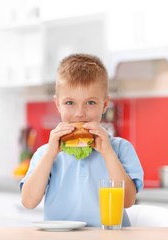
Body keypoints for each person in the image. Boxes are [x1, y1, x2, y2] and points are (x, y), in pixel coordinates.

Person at [20, 54, 144, 227]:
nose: (80, 113)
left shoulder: (120, 148)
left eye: (90, 102)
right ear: (58, 104)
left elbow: (128, 201)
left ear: (105, 104)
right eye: (70, 102)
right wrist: (50, 154)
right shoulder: (46, 152)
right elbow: (28, 201)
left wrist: (108, 153)